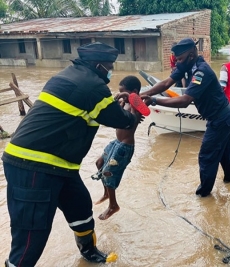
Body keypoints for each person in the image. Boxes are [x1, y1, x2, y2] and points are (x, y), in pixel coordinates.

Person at [1, 42, 142, 266]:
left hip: (59, 165)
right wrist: (134, 113)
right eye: (109, 66)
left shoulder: (68, 76)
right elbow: (120, 120)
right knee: (31, 235)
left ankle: (89, 251)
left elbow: (88, 108)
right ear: (98, 65)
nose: (110, 70)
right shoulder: (94, 86)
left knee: (80, 206)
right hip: (33, 165)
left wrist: (114, 103)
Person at [140, 38, 230, 197]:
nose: (177, 62)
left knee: (207, 156)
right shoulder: (186, 65)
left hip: (220, 118)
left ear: (191, 55)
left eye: (179, 59)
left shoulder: (201, 71)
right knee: (224, 150)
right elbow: (166, 84)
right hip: (223, 116)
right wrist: (143, 94)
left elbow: (185, 101)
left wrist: (155, 100)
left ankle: (203, 195)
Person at [92, 76, 147, 220]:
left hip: (125, 146)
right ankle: (106, 193)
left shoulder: (137, 105)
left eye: (124, 91)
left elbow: (140, 113)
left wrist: (127, 97)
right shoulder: (127, 103)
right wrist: (120, 102)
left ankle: (113, 205)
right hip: (116, 142)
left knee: (109, 172)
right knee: (99, 163)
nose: (122, 94)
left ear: (134, 92)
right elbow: (116, 117)